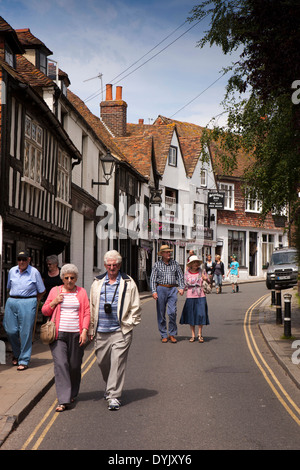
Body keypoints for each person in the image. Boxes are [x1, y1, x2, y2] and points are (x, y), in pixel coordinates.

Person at [89, 250, 141, 411]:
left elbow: (135, 306)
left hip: (120, 331)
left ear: (119, 265)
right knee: (102, 363)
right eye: (109, 265)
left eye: (115, 265)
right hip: (101, 331)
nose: (112, 267)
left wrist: (130, 323)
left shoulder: (128, 282)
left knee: (117, 363)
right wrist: (91, 328)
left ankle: (113, 396)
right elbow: (91, 306)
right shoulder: (97, 283)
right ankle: (110, 386)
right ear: (105, 265)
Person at [42, 264, 90, 412]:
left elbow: (87, 312)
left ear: (76, 278)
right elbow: (44, 310)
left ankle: (72, 392)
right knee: (61, 364)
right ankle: (63, 400)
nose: (69, 280)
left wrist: (84, 331)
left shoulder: (81, 292)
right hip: (59, 335)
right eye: (66, 277)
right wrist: (54, 301)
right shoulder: (55, 291)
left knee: (74, 366)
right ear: (62, 278)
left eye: (72, 278)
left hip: (76, 334)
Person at [3, 250, 45, 370]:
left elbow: (42, 290)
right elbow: (8, 287)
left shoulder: (34, 272)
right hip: (12, 301)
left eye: (24, 259)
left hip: (28, 301)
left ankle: (24, 359)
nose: (21, 262)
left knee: (25, 332)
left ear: (29, 260)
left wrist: (34, 301)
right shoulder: (12, 271)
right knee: (10, 330)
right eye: (19, 259)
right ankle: (16, 353)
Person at [150, 244, 184, 343]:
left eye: (170, 252)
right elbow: (152, 279)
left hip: (173, 289)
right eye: (167, 252)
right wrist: (154, 291)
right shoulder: (157, 265)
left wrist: (181, 287)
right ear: (162, 254)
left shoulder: (175, 264)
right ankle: (164, 334)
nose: (169, 253)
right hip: (161, 288)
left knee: (172, 312)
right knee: (161, 313)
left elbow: (180, 276)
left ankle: (172, 334)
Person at [180, 255, 210, 343]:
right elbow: (185, 284)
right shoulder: (187, 273)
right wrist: (182, 290)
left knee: (201, 314)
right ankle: (192, 335)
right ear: (191, 264)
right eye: (194, 263)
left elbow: (208, 281)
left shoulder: (202, 271)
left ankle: (200, 334)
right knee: (191, 315)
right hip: (190, 296)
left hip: (201, 295)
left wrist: (206, 278)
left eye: (197, 262)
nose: (196, 264)